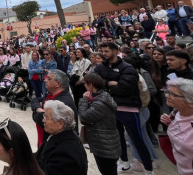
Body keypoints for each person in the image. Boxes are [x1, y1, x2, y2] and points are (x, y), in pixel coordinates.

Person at [94, 42, 153, 174]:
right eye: (102, 51)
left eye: (106, 51)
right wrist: (110, 83)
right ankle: (125, 163)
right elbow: (94, 83)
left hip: (128, 109)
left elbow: (126, 88)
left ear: (115, 51)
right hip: (110, 109)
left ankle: (149, 169)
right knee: (118, 139)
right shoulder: (99, 68)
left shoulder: (127, 67)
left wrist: (106, 85)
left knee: (137, 139)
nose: (104, 54)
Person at [78, 73, 120, 175]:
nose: (85, 86)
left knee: (107, 170)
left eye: (85, 84)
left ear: (91, 85)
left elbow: (84, 118)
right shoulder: (102, 95)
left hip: (104, 144)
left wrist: (84, 100)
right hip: (104, 141)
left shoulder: (100, 103)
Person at [35, 100, 88, 175]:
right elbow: (39, 156)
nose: (43, 120)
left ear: (60, 123)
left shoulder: (65, 153)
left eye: (46, 117)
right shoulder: (57, 134)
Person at [31, 69, 78, 146]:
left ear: (57, 84)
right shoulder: (51, 94)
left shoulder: (63, 102)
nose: (45, 80)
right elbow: (35, 100)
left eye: (48, 78)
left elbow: (38, 119)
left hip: (55, 145)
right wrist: (38, 109)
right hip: (44, 140)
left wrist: (38, 113)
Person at [160, 78, 193, 175]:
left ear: (190, 102)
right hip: (181, 168)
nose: (167, 95)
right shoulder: (176, 112)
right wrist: (170, 123)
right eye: (168, 92)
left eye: (173, 94)